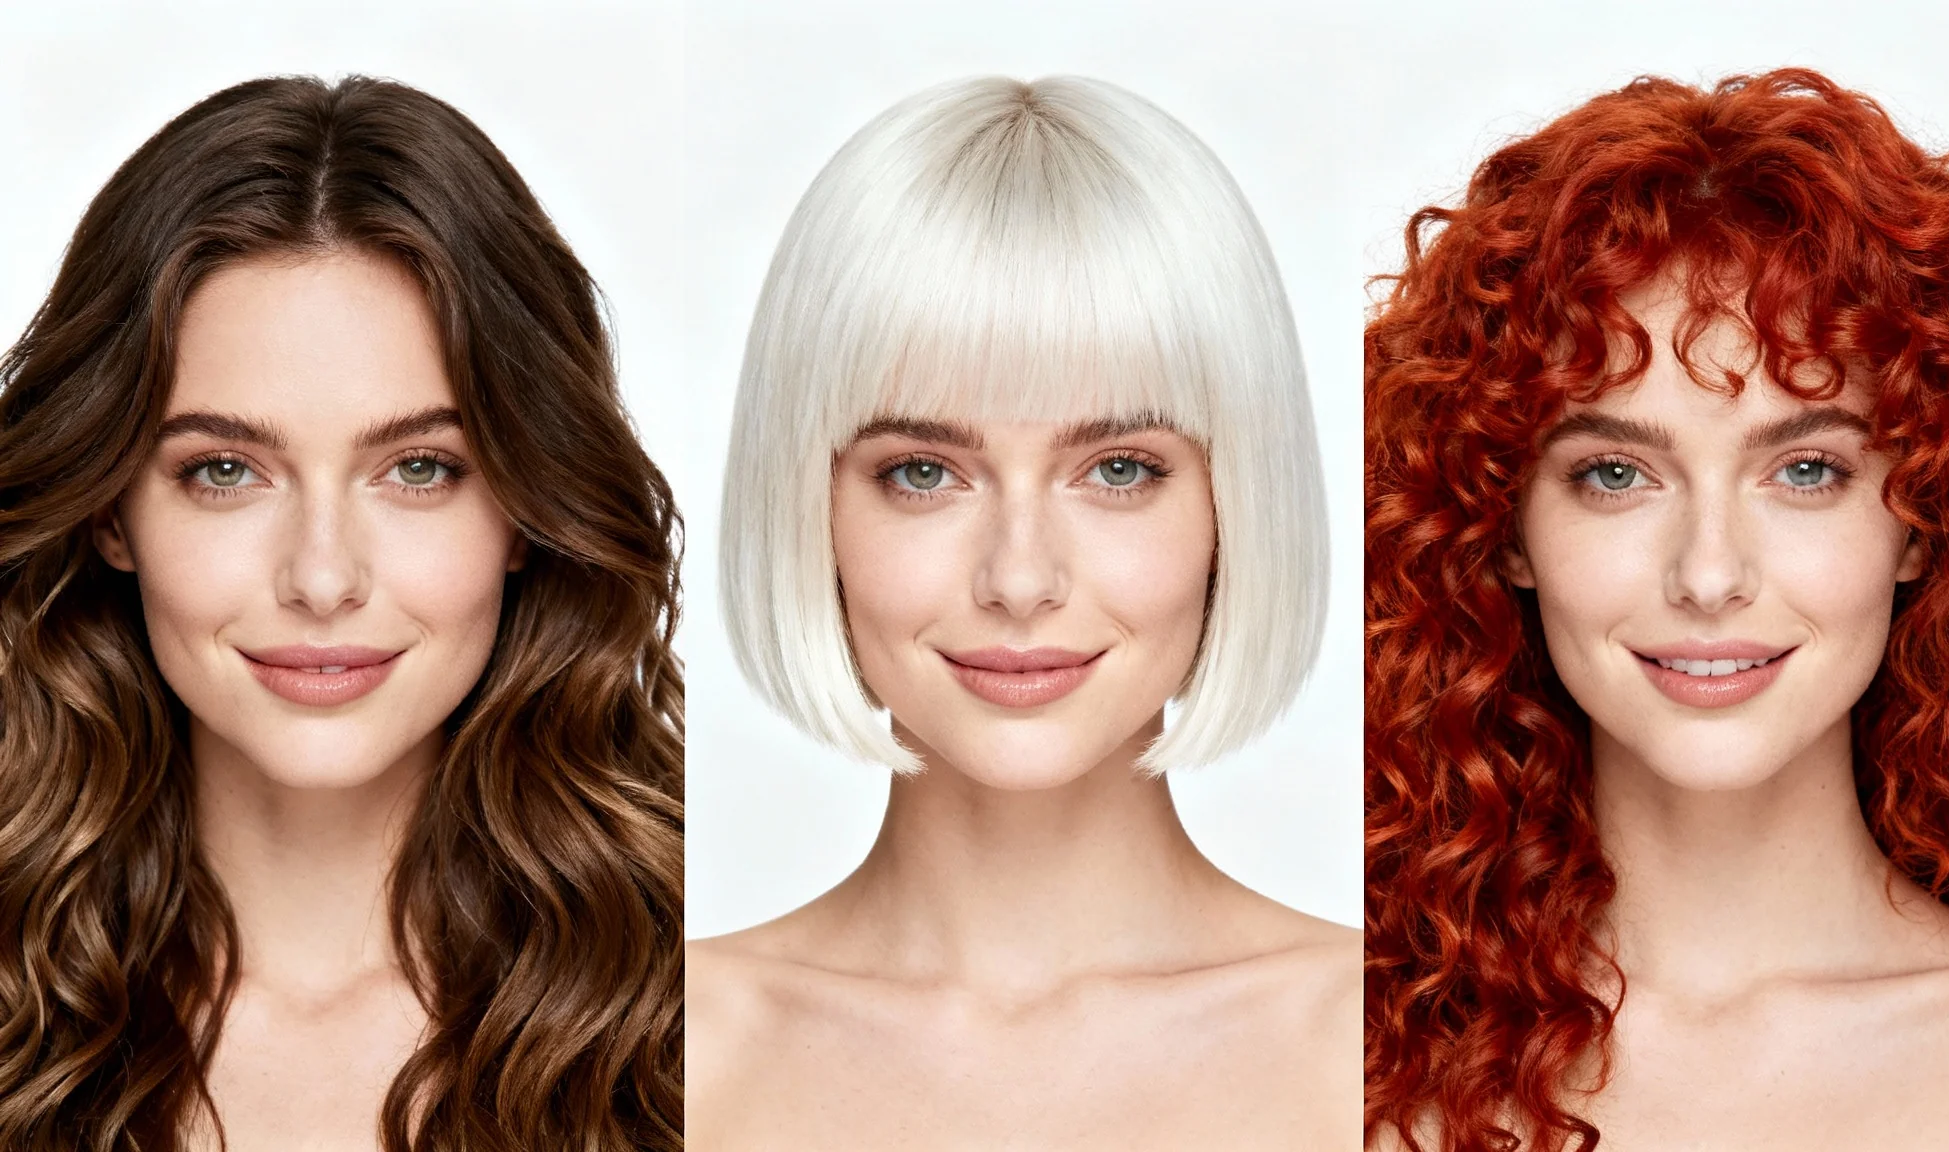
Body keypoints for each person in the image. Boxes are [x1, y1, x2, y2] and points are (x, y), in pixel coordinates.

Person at [1366, 68, 1949, 1150]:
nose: (1708, 574)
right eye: (1613, 476)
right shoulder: (1350, 1071)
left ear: (1921, 515)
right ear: (1499, 527)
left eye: (1806, 471)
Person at [0, 76, 686, 1151]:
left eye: (419, 468)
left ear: (524, 510)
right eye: (225, 470)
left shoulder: (711, 1020)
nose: (322, 580)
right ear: (110, 513)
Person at [685, 76, 1360, 1149]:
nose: (1017, 577)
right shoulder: (659, 1049)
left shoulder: (1404, 1044)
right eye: (920, 473)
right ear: (804, 507)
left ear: (1237, 505)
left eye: (1120, 469)